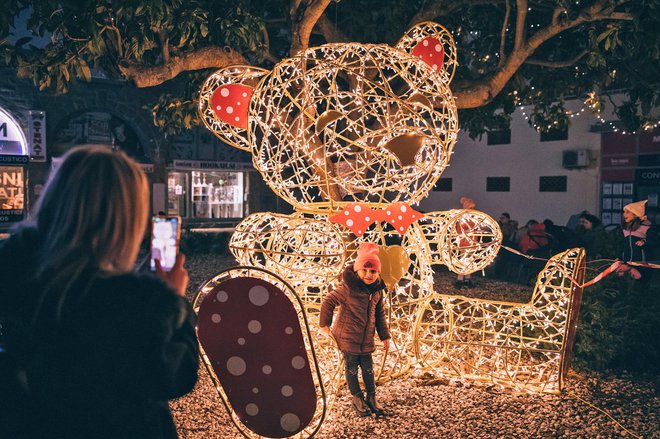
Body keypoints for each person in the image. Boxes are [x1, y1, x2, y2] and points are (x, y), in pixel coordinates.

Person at [0, 145, 198, 439]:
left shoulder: (15, 272)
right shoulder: (125, 301)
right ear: (122, 218)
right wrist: (172, 300)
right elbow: (175, 375)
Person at [319, 242, 391, 417]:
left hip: (366, 339)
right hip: (348, 337)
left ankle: (371, 397)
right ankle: (357, 397)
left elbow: (380, 314)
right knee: (351, 368)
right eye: (364, 270)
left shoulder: (377, 292)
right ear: (357, 271)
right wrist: (324, 326)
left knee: (368, 368)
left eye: (373, 271)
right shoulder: (348, 289)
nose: (368, 274)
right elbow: (328, 301)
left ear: (378, 272)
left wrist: (384, 336)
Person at [618, 200, 655, 281]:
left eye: (627, 212)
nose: (624, 214)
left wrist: (644, 242)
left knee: (639, 286)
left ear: (635, 215)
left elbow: (655, 241)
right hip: (626, 264)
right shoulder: (624, 229)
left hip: (642, 265)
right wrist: (619, 258)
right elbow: (622, 246)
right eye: (624, 212)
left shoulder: (646, 228)